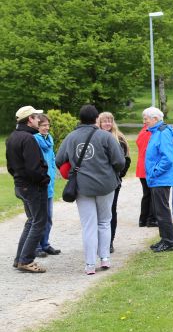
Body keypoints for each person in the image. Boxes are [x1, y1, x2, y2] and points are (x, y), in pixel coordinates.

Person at [56, 105, 125, 274]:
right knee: (104, 222)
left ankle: (89, 264)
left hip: (82, 186)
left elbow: (59, 159)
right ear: (96, 119)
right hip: (106, 185)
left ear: (79, 119)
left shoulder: (71, 137)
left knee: (89, 225)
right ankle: (105, 258)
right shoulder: (105, 137)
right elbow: (119, 161)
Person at [7, 106, 50, 273]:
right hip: (33, 187)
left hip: (21, 185)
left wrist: (20, 180)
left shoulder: (13, 137)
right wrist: (44, 180)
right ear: (30, 119)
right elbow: (34, 169)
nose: (39, 119)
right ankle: (26, 260)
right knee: (39, 222)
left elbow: (11, 167)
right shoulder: (28, 138)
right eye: (36, 116)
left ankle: (20, 259)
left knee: (32, 221)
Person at [144, 107, 173, 252]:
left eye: (146, 118)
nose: (144, 121)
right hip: (158, 178)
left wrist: (154, 172)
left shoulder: (163, 132)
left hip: (161, 178)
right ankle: (165, 238)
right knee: (159, 210)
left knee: (162, 211)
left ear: (155, 119)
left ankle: (170, 241)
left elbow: (167, 158)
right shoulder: (157, 132)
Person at [97, 112, 131, 253]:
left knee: (111, 210)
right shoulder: (94, 137)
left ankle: (109, 241)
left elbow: (126, 160)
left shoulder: (119, 138)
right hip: (97, 181)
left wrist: (118, 175)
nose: (108, 124)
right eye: (105, 121)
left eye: (110, 121)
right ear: (99, 122)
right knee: (96, 212)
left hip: (113, 181)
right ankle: (97, 240)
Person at [33, 114, 61, 258]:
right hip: (40, 183)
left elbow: (53, 157)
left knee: (49, 217)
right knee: (39, 217)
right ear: (38, 126)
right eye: (43, 125)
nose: (46, 128)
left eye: (48, 125)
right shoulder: (34, 140)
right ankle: (36, 246)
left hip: (49, 184)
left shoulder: (49, 139)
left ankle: (45, 244)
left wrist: (56, 171)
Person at [135, 115, 156, 228]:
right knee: (152, 194)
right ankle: (151, 219)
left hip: (141, 167)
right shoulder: (150, 132)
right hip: (147, 167)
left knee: (146, 194)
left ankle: (143, 219)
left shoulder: (142, 131)